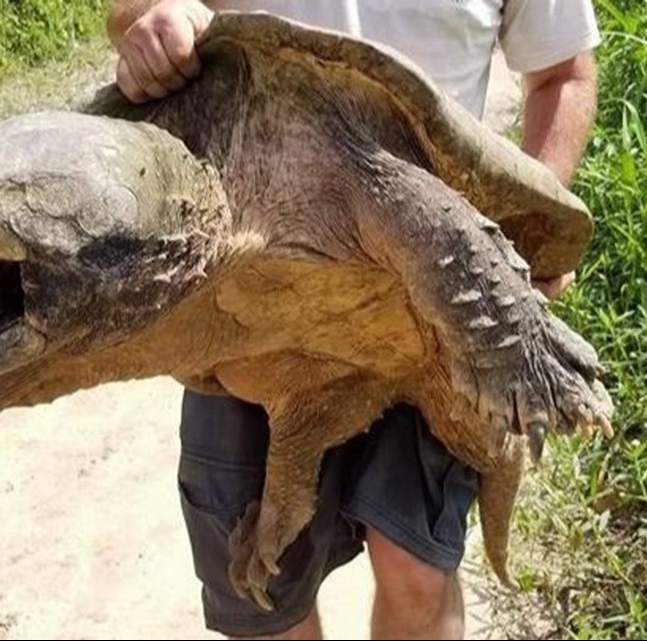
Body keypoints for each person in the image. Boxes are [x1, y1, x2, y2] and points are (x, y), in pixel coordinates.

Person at [104, 1, 601, 638]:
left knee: (417, 571)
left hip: (424, 279)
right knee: (261, 592)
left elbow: (563, 74)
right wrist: (148, 21)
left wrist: (530, 222)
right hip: (250, 283)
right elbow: (138, 9)